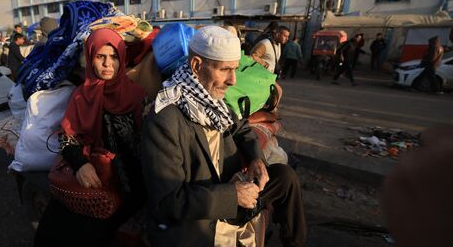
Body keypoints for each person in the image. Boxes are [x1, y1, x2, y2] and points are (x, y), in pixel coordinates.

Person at [142, 26, 306, 247]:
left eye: (235, 70)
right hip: (202, 216)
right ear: (197, 66)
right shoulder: (165, 120)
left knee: (285, 177)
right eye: (224, 70)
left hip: (231, 191)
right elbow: (169, 201)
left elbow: (242, 129)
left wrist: (256, 158)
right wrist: (233, 196)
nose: (233, 81)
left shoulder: (215, 102)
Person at [34, 28, 148, 247]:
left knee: (92, 234)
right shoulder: (81, 95)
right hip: (91, 176)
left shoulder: (136, 95)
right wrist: (80, 165)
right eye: (100, 57)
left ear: (122, 59)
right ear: (90, 58)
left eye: (114, 57)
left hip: (127, 186)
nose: (107, 64)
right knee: (49, 232)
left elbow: (146, 144)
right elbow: (67, 137)